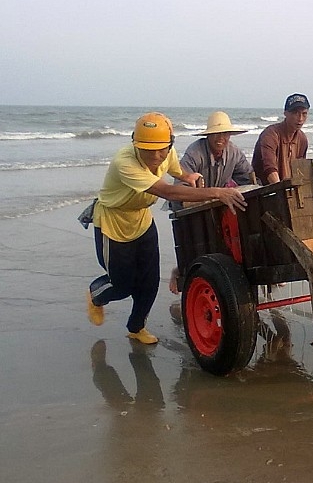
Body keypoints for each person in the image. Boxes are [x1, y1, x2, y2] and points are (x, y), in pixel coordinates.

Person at [86, 112, 247, 344]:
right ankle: (95, 295)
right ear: (135, 144)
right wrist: (217, 193)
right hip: (113, 225)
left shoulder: (167, 152)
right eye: (147, 150)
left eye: (161, 149)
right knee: (123, 285)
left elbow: (175, 170)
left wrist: (188, 176)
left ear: (170, 144)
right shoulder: (125, 163)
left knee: (150, 281)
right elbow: (168, 192)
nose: (156, 156)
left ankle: (136, 327)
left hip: (142, 221)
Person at [168, 111, 253, 212]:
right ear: (208, 135)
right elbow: (179, 194)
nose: (220, 138)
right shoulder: (195, 153)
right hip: (191, 210)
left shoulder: (234, 153)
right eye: (216, 133)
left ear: (230, 135)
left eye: (225, 133)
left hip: (218, 207)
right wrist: (214, 195)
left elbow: (249, 180)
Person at [251, 93, 309, 184]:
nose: (300, 118)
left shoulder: (302, 139)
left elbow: (299, 170)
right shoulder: (270, 134)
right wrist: (280, 189)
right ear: (285, 113)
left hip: (287, 186)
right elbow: (270, 169)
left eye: (304, 114)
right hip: (264, 187)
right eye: (295, 113)